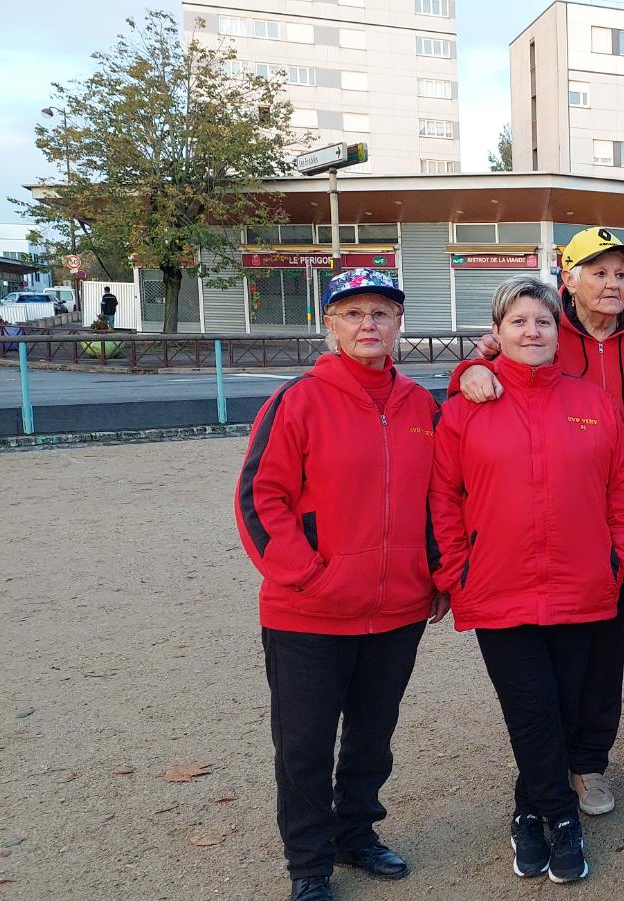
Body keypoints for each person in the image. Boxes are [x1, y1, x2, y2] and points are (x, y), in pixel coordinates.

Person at [233, 268, 444, 901]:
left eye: (380, 313)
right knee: (304, 744)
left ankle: (357, 833)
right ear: (330, 325)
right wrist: (306, 575)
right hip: (310, 612)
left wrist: (435, 574)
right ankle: (309, 863)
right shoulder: (297, 401)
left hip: (398, 607)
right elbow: (258, 496)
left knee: (372, 737)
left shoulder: (420, 406)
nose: (368, 325)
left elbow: (442, 499)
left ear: (399, 324)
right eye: (353, 314)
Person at [450, 228, 624, 818]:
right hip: (556, 536)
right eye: (597, 272)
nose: (611, 283)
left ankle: (599, 755)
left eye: (621, 274)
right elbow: (495, 368)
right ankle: (568, 771)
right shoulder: (547, 329)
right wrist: (467, 369)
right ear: (568, 279)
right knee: (572, 666)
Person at [429, 277, 624, 885]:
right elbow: (444, 495)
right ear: (496, 334)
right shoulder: (467, 407)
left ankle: (527, 810)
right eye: (517, 322)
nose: (532, 332)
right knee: (530, 709)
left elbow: (623, 483)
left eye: (542, 322)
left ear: (558, 331)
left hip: (581, 583)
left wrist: (617, 552)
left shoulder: (592, 402)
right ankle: (561, 817)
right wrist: (456, 570)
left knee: (567, 707)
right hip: (499, 586)